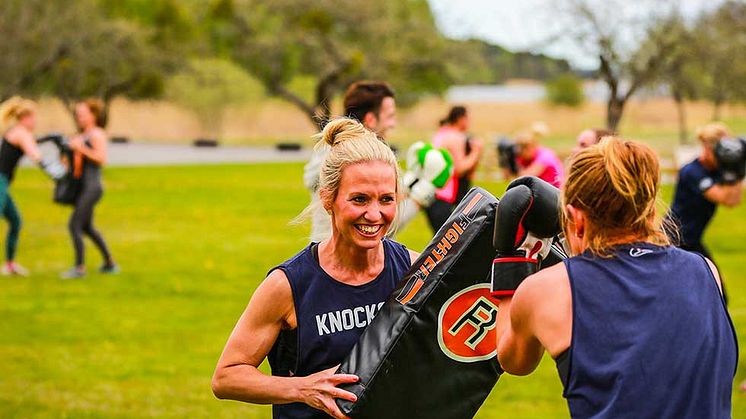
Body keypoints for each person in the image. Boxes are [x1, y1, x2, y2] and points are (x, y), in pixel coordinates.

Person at [491, 137, 737, 417]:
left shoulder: (549, 290)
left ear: (576, 218)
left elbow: (513, 360)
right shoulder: (705, 271)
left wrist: (510, 257)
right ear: (651, 210)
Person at [213, 118, 419, 419]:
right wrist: (303, 389)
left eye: (386, 199)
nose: (374, 214)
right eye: (359, 199)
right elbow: (227, 377)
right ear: (328, 199)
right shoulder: (290, 284)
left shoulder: (414, 270)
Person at [303, 81, 397, 242]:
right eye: (389, 116)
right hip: (333, 258)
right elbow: (374, 225)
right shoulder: (345, 159)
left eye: (386, 199)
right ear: (370, 119)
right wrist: (422, 193)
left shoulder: (330, 150)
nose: (393, 124)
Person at [666, 123, 743, 280]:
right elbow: (723, 197)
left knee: (715, 287)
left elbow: (734, 201)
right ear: (708, 148)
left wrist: (738, 168)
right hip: (673, 240)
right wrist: (735, 171)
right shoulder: (692, 172)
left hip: (692, 240)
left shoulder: (717, 171)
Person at [0, 97, 67, 276]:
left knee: (15, 221)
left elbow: (33, 143)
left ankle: (10, 265)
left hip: (4, 182)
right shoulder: (21, 132)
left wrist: (48, 139)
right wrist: (59, 174)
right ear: (25, 118)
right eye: (34, 117)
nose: (35, 121)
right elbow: (36, 156)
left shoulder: (18, 132)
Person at [61, 99, 117, 278]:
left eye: (83, 114)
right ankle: (110, 263)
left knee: (74, 224)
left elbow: (101, 158)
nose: (80, 118)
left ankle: (79, 268)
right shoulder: (81, 135)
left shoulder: (97, 134)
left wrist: (80, 148)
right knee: (87, 227)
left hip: (92, 187)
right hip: (83, 187)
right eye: (78, 115)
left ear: (93, 115)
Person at [426, 105, 483, 232]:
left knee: (438, 239)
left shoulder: (440, 133)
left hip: (429, 191)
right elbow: (459, 169)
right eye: (468, 118)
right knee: (448, 241)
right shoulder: (456, 137)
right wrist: (476, 151)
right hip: (443, 193)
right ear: (461, 119)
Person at [508, 122, 564, 188]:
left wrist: (510, 163)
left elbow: (523, 178)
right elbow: (508, 177)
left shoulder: (545, 156)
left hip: (556, 192)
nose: (519, 151)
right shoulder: (523, 157)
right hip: (541, 191)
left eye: (523, 147)